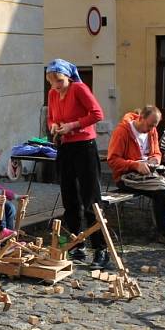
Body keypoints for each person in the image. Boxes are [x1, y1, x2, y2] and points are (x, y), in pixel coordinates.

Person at [45, 59, 108, 269]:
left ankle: (100, 249)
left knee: (91, 198)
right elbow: (51, 117)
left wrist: (73, 125)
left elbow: (97, 114)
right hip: (65, 147)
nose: (56, 86)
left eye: (59, 81)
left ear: (68, 77)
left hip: (84, 146)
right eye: (52, 81)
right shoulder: (53, 93)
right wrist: (54, 126)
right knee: (69, 197)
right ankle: (75, 244)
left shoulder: (79, 88)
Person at [108, 105, 165, 246]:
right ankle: (164, 233)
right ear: (140, 118)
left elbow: (157, 152)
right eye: (150, 125)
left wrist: (155, 160)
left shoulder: (152, 131)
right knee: (163, 192)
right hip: (127, 176)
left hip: (150, 173)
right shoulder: (122, 132)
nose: (152, 128)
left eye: (154, 126)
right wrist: (135, 165)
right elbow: (113, 160)